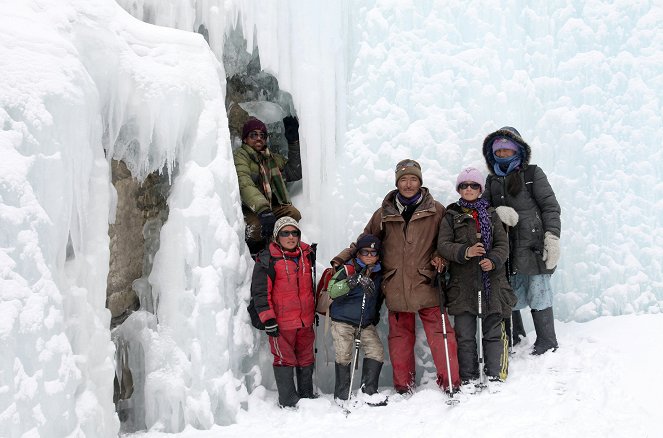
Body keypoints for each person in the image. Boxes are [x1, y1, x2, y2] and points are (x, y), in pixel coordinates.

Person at [331, 159, 461, 394]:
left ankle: (450, 382)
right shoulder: (384, 213)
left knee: (441, 335)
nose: (408, 184)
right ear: (397, 183)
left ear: (420, 181)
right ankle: (403, 387)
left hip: (427, 282)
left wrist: (439, 255)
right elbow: (365, 241)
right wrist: (342, 258)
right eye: (403, 180)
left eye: (412, 179)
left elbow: (446, 241)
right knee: (400, 339)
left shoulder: (436, 210)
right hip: (396, 285)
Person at [482, 127, 561, 355]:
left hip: (533, 243)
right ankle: (516, 336)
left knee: (539, 289)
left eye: (508, 149)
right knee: (508, 291)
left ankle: (547, 341)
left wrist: (552, 237)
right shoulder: (492, 180)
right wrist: (496, 211)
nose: (504, 154)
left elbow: (550, 206)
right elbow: (483, 208)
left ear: (518, 150)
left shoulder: (532, 174)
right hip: (507, 245)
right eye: (499, 150)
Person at [437, 167, 517, 389]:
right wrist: (466, 252)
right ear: (459, 189)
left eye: (473, 185)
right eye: (464, 185)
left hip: (491, 283)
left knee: (492, 331)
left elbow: (503, 245)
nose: (469, 189)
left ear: (480, 188)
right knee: (464, 335)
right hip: (462, 286)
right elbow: (443, 245)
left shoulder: (491, 215)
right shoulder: (451, 216)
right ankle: (469, 377)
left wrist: (492, 260)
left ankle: (494, 375)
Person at [250, 216, 315, 407]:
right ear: (277, 236)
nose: (291, 237)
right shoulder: (267, 259)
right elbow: (260, 292)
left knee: (306, 357)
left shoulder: (306, 254)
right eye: (285, 233)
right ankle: (288, 400)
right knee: (284, 359)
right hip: (281, 323)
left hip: (305, 321)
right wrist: (268, 319)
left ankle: (307, 396)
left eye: (294, 232)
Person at [327, 234, 387, 406]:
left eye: (373, 252)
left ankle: (368, 391)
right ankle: (342, 396)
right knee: (344, 356)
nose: (369, 255)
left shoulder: (378, 273)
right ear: (358, 254)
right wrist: (351, 282)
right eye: (364, 252)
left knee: (376, 351)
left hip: (364, 322)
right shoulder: (347, 269)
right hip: (342, 321)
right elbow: (332, 290)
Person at [233, 116, 302, 254]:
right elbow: (244, 183)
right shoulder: (241, 156)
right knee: (256, 227)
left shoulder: (272, 158)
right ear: (245, 139)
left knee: (292, 213)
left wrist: (293, 142)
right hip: (250, 208)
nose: (259, 138)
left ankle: (279, 247)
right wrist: (263, 210)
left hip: (270, 207)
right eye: (254, 135)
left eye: (262, 135)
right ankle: (254, 253)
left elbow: (295, 172)